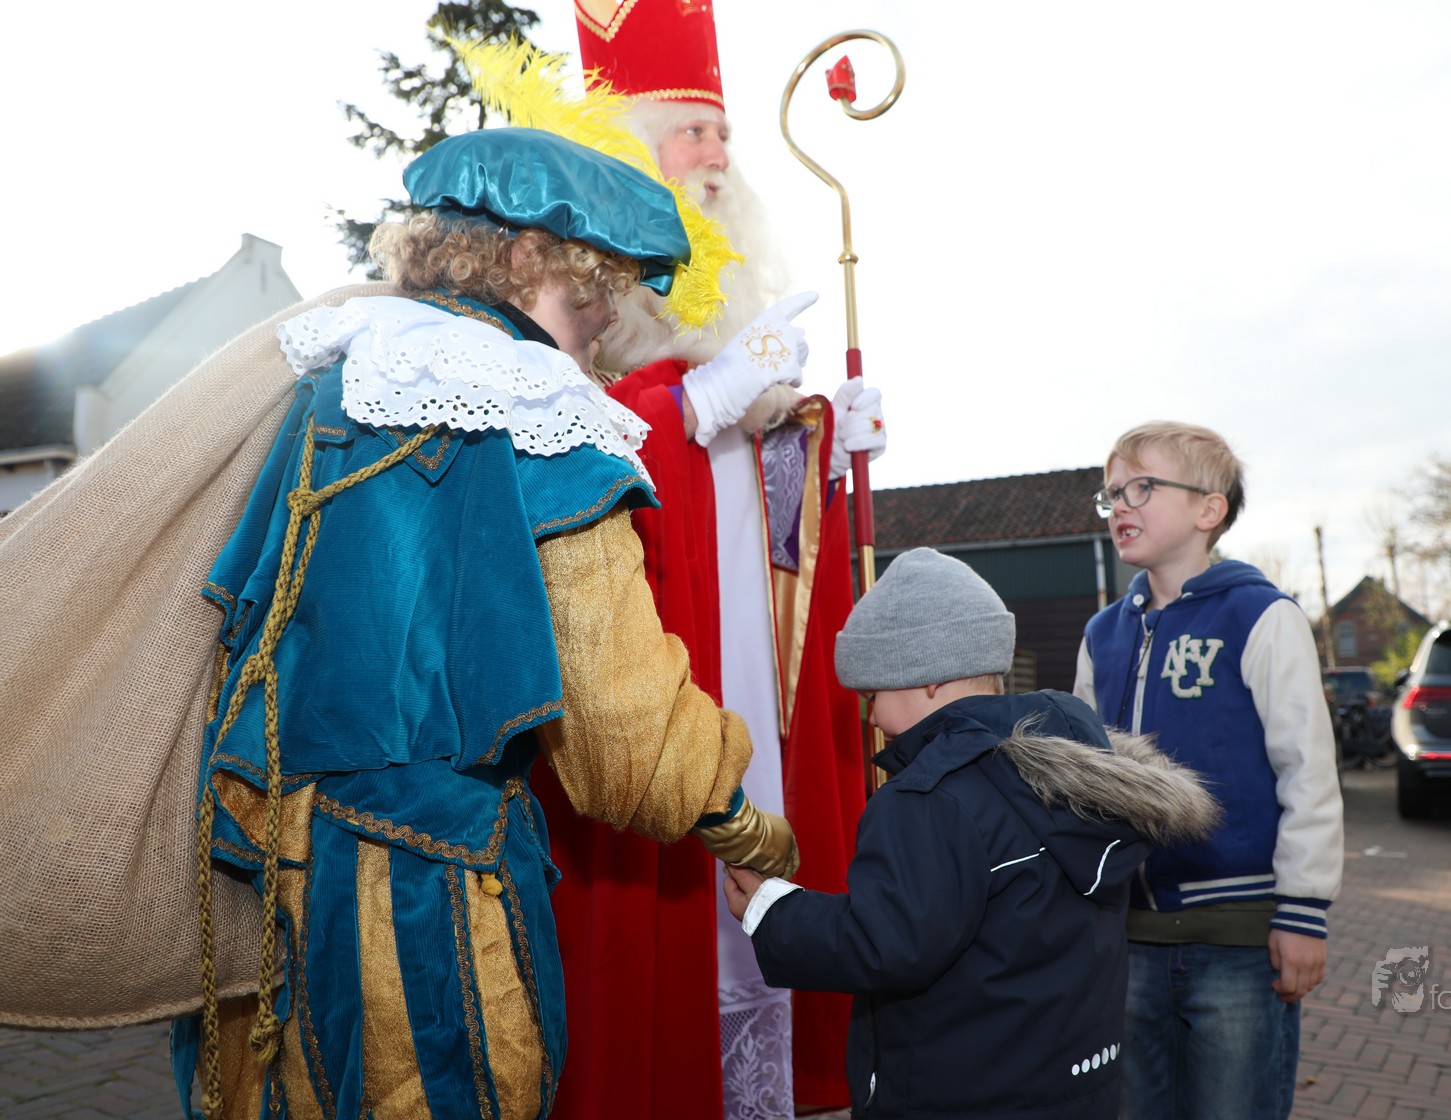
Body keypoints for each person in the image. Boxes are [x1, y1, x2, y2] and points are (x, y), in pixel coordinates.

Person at [169, 125, 799, 1120]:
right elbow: (622, 730)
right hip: (430, 891)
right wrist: (747, 825)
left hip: (277, 863)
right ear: (531, 258)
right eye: (599, 291)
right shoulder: (534, 405)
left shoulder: (341, 383)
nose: (605, 325)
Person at [519, 5, 882, 1117]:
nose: (718, 155)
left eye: (723, 134)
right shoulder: (572, 299)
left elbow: (763, 523)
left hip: (749, 670)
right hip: (657, 662)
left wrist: (821, 447)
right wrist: (690, 403)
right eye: (692, 133)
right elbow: (563, 451)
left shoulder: (732, 304)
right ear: (635, 156)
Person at [722, 548, 1218, 1118]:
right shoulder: (1074, 773)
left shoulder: (928, 799)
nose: (871, 717)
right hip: (1076, 1089)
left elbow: (884, 943)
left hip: (955, 1094)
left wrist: (770, 910)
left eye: (873, 694)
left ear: (927, 679)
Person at [1071, 420, 1345, 1120]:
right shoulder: (1102, 634)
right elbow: (1085, 778)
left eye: (1142, 487)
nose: (1120, 505)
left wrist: (1304, 912)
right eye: (1111, 494)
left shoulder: (1261, 616)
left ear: (1208, 509)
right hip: (1129, 939)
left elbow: (1307, 769)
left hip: (1239, 939)